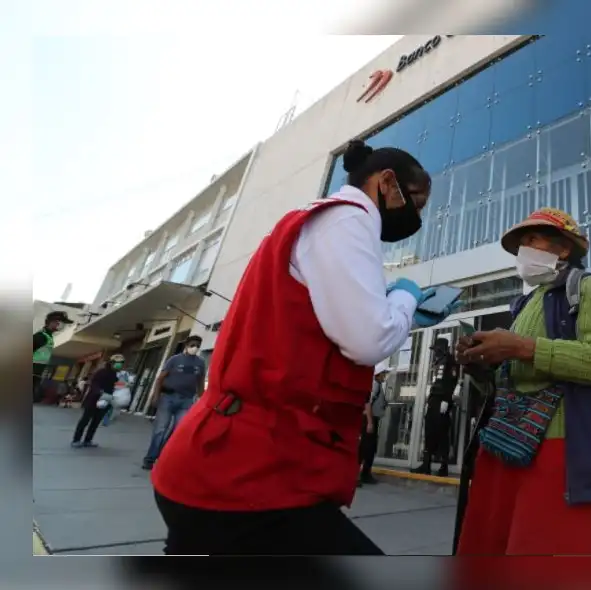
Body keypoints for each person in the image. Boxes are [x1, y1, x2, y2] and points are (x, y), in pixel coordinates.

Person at [150, 139, 459, 555]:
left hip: (225, 465)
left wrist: (390, 308)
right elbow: (370, 340)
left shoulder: (318, 223)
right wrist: (405, 298)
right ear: (387, 183)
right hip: (248, 477)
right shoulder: (347, 223)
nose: (417, 217)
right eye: (417, 202)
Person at [454, 207, 591, 556]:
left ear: (563, 249)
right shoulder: (525, 304)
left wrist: (522, 347)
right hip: (511, 447)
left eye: (532, 239)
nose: (523, 251)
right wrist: (481, 366)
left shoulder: (589, 287)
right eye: (520, 245)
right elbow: (512, 385)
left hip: (562, 452)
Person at [141, 336, 206, 470]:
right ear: (187, 345)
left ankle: (164, 456)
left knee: (179, 431)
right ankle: (150, 458)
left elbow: (200, 381)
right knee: (160, 429)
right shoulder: (174, 360)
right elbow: (160, 379)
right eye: (193, 345)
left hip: (186, 400)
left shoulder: (200, 362)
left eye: (198, 346)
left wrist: (202, 399)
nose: (195, 348)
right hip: (168, 398)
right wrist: (155, 396)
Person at [413, 338, 460, 477]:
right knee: (429, 431)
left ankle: (443, 466)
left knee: (442, 432)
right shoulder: (437, 361)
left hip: (442, 401)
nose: (435, 352)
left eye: (436, 349)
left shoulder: (451, 360)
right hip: (434, 400)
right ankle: (426, 464)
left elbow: (453, 381)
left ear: (442, 348)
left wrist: (447, 400)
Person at [72, 354, 124, 448]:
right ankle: (76, 440)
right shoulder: (101, 372)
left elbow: (116, 385)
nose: (119, 365)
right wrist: (100, 392)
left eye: (121, 363)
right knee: (85, 420)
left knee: (95, 422)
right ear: (111, 363)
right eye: (118, 363)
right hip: (93, 399)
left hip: (105, 400)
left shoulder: (114, 374)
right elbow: (94, 384)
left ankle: (88, 440)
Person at [358, 362, 390, 486]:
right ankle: (360, 475)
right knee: (366, 448)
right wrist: (370, 422)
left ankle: (366, 473)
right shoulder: (374, 385)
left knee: (369, 448)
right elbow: (368, 404)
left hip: (372, 419)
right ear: (378, 375)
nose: (385, 376)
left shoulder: (377, 385)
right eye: (383, 374)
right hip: (369, 419)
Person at [33, 311, 71, 403]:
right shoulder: (41, 336)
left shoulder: (49, 337)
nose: (62, 325)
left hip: (36, 373)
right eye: (61, 322)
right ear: (52, 322)